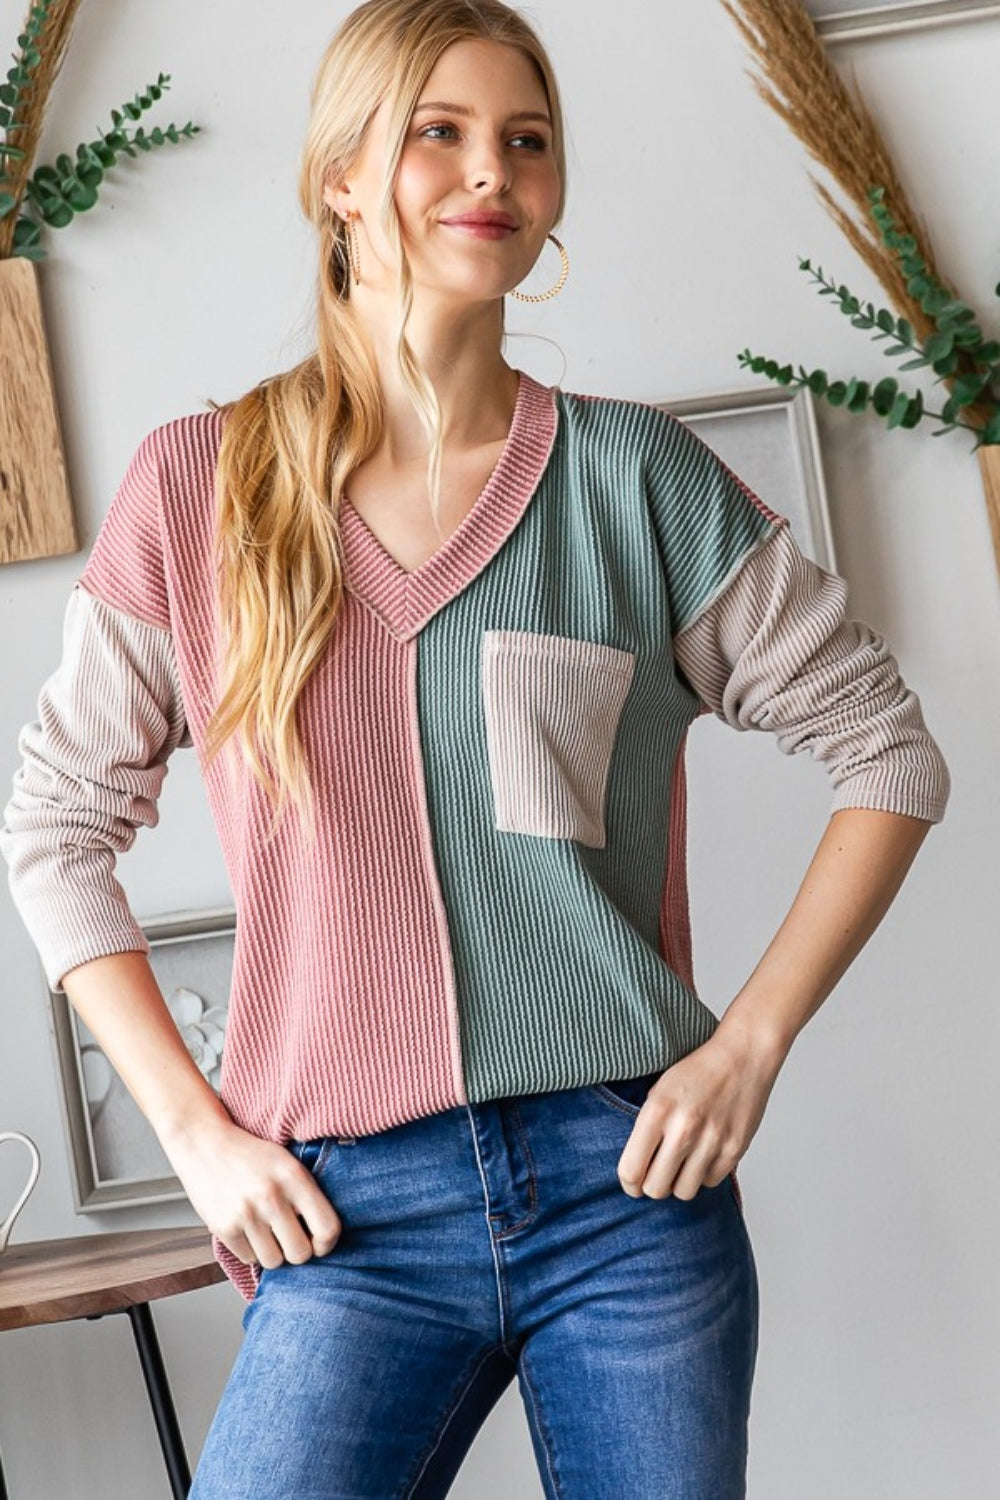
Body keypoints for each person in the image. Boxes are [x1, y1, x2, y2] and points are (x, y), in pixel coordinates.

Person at [0, 1, 950, 1496]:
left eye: (526, 139)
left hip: (628, 1194)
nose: (487, 171)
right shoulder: (198, 492)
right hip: (343, 1215)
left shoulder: (637, 480)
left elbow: (888, 754)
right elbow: (54, 825)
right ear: (338, 176)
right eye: (436, 132)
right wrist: (192, 1135)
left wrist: (750, 1045)